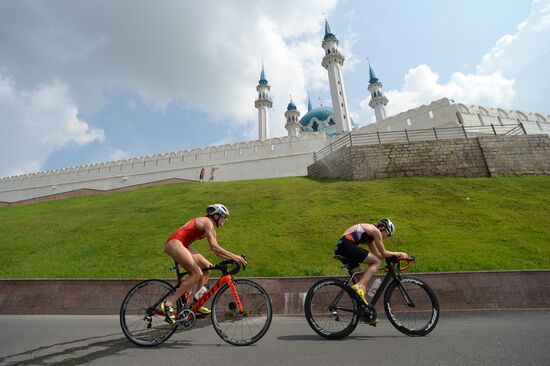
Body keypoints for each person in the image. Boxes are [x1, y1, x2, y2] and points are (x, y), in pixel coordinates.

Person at [161, 204, 247, 323]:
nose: (226, 219)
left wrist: (232, 258)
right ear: (216, 215)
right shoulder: (207, 222)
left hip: (183, 245)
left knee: (208, 268)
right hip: (175, 243)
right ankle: (168, 303)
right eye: (224, 216)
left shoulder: (212, 228)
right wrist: (235, 256)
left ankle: (197, 304)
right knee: (196, 273)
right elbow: (214, 247)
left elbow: (217, 251)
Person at [334, 218, 407, 307]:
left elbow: (378, 254)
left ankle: (363, 311)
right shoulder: (375, 231)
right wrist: (400, 254)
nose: (385, 238)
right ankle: (360, 286)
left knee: (362, 278)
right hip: (346, 245)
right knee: (376, 262)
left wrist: (392, 257)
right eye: (387, 235)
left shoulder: (369, 236)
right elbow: (383, 253)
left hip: (341, 248)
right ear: (383, 228)